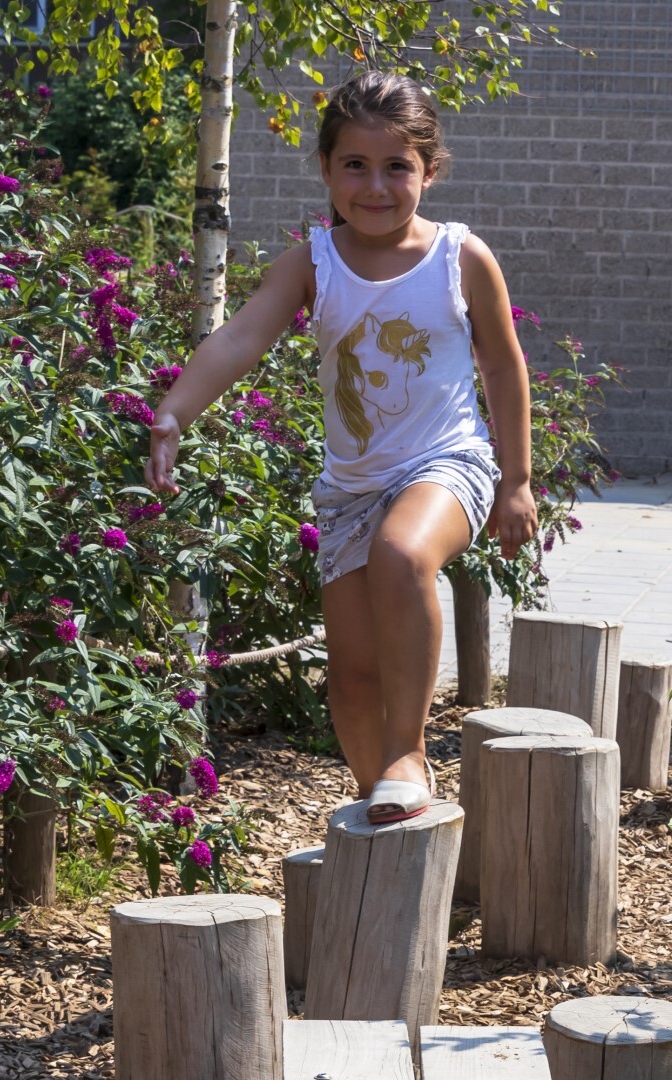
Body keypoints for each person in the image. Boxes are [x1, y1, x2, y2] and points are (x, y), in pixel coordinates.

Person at [144, 72, 537, 823]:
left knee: (403, 554)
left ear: (429, 171)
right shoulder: (313, 263)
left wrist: (517, 480)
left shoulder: (460, 256)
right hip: (351, 487)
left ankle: (411, 753)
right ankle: (386, 820)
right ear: (326, 170)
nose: (376, 185)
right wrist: (175, 412)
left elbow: (502, 364)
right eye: (355, 165)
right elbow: (240, 336)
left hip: (447, 464)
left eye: (398, 167)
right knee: (352, 681)